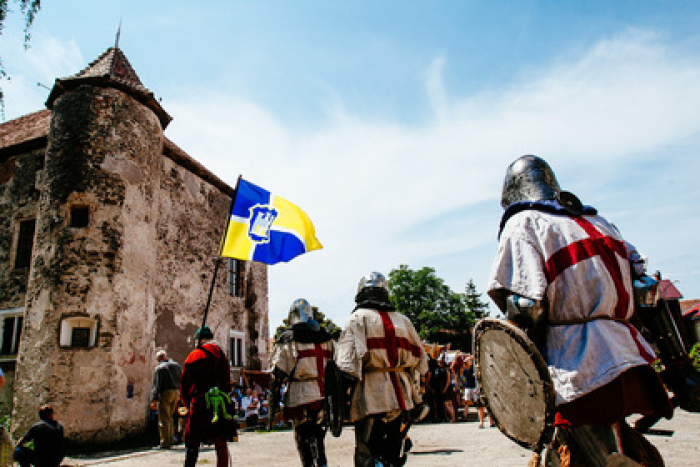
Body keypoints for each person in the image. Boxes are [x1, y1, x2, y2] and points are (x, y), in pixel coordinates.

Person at [487, 155, 672, 466]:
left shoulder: (525, 223)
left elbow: (526, 307)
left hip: (577, 364)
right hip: (628, 355)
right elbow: (647, 291)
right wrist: (678, 364)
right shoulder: (600, 223)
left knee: (599, 458)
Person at [335, 271, 428, 467]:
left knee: (367, 453)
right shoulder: (404, 321)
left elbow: (346, 367)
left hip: (371, 394)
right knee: (393, 453)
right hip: (402, 396)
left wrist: (340, 400)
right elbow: (422, 363)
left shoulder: (357, 319)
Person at [270, 298, 335, 467]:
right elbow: (337, 366)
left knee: (302, 438)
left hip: (300, 394)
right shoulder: (326, 338)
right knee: (319, 438)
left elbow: (278, 373)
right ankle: (322, 463)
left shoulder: (290, 339)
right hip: (321, 394)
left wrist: (274, 401)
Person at [180, 325, 236, 467]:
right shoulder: (222, 355)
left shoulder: (194, 355)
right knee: (220, 441)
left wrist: (186, 403)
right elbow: (226, 381)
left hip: (200, 404)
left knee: (192, 441)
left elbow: (185, 382)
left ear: (199, 340)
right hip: (220, 405)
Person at [150, 349, 182, 449]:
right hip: (176, 392)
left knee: (164, 418)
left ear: (158, 359)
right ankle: (171, 439)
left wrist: (153, 400)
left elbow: (157, 385)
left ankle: (165, 442)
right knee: (171, 416)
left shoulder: (159, 368)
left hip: (165, 392)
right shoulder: (177, 366)